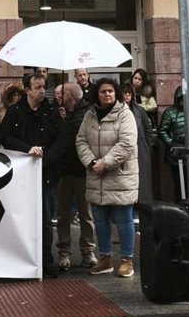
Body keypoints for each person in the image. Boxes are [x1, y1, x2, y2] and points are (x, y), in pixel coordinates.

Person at [2, 72, 66, 278]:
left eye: (43, 87)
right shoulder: (15, 112)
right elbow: (5, 137)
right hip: (21, 176)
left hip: (45, 175)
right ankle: (21, 259)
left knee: (46, 221)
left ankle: (46, 260)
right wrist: (27, 149)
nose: (42, 91)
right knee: (21, 219)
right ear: (27, 90)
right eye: (37, 87)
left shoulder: (52, 112)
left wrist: (45, 159)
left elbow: (62, 139)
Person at [76, 77, 138, 278]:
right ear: (97, 94)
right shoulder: (90, 115)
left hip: (120, 176)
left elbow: (127, 144)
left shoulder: (125, 114)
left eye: (111, 91)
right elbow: (81, 141)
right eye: (103, 91)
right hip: (97, 176)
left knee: (123, 220)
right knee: (100, 221)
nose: (107, 94)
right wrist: (92, 162)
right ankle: (105, 259)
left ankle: (127, 260)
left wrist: (106, 162)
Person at [54, 82, 97, 271]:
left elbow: (82, 137)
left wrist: (66, 121)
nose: (56, 97)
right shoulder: (56, 111)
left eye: (59, 93)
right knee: (63, 214)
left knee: (86, 214)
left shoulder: (87, 112)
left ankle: (88, 251)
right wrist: (60, 120)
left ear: (70, 95)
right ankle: (64, 252)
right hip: (63, 170)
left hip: (82, 170)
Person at [158, 85, 189, 204]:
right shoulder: (170, 112)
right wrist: (172, 144)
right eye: (181, 98)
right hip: (177, 153)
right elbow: (162, 130)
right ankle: (181, 205)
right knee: (179, 182)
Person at [121, 82, 155, 206]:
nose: (126, 96)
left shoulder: (139, 110)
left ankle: (143, 206)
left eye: (129, 93)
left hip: (140, 149)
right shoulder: (115, 110)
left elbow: (148, 130)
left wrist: (147, 146)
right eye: (124, 93)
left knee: (143, 181)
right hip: (124, 151)